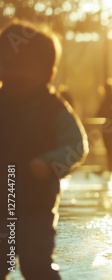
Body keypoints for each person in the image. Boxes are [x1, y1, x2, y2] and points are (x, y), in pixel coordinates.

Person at [0, 19, 88, 279]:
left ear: (48, 74)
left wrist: (50, 162)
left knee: (36, 262)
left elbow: (76, 145)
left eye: (23, 67)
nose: (13, 73)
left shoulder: (54, 109)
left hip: (36, 205)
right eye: (6, 65)